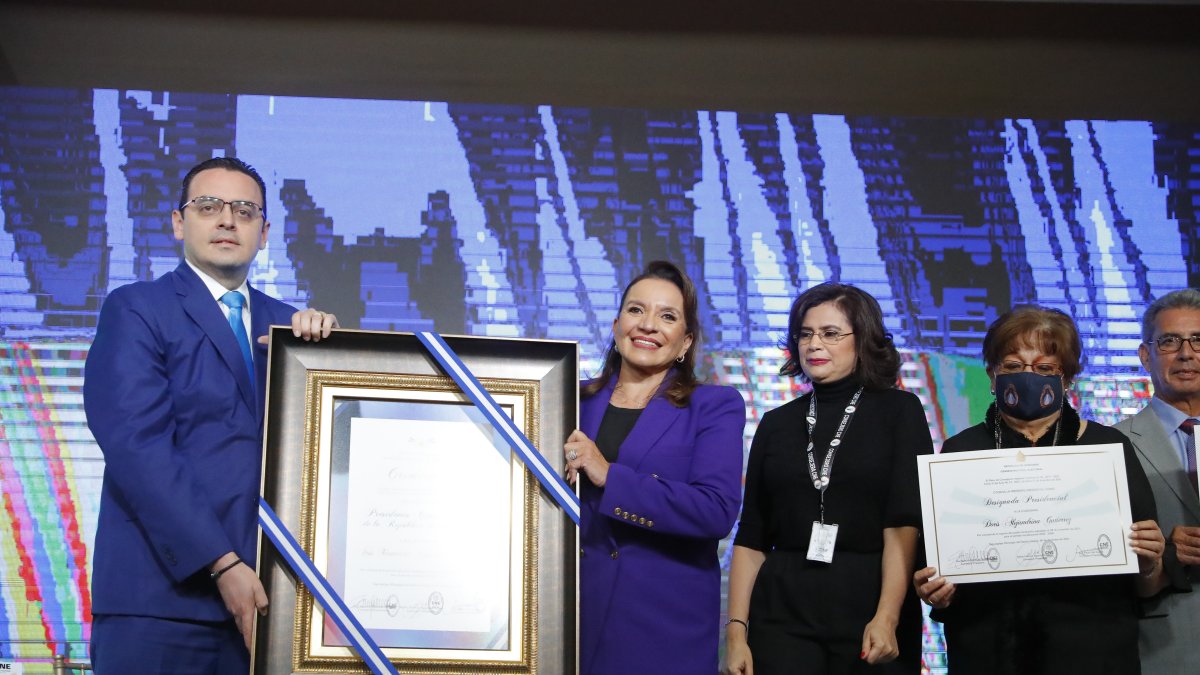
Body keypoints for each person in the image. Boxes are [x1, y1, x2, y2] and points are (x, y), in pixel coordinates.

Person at [84, 157, 339, 674]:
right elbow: (138, 447)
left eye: (244, 211)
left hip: (272, 607)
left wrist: (337, 354)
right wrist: (222, 563)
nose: (227, 220)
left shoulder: (291, 328)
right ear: (180, 222)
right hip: (159, 607)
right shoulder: (136, 309)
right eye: (208, 206)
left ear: (264, 233)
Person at [913, 305, 1167, 675]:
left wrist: (1150, 562)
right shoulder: (959, 453)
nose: (1028, 377)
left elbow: (1147, 581)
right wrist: (934, 589)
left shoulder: (1107, 449)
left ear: (1067, 379)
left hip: (1095, 651)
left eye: (1045, 368)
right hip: (988, 652)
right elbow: (937, 568)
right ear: (991, 374)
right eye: (1013, 365)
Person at [724, 282, 931, 675]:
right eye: (805, 334)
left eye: (830, 334)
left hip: (869, 602)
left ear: (864, 341)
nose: (813, 344)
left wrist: (887, 615)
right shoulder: (776, 422)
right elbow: (751, 538)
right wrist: (736, 634)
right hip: (783, 611)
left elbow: (903, 524)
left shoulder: (900, 411)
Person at [563, 260, 746, 674]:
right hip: (571, 617)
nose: (648, 325)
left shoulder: (714, 406)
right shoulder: (566, 399)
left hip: (663, 628)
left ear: (685, 342)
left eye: (667, 316)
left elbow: (715, 511)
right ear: (615, 326)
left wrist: (609, 475)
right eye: (636, 310)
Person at [1114, 289, 1200, 673]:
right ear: (1145, 355)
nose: (1187, 353)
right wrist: (1163, 552)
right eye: (1169, 341)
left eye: (1198, 340)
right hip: (1162, 650)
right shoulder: (1110, 445)